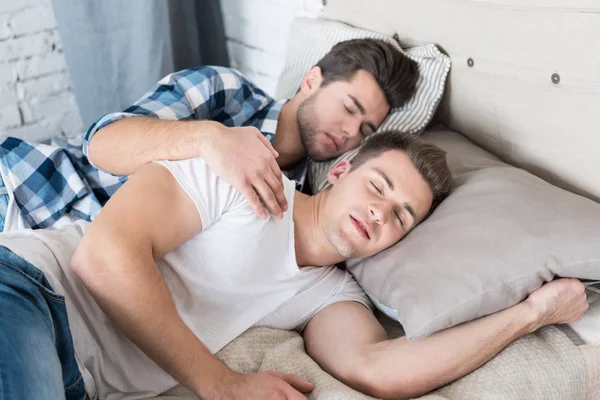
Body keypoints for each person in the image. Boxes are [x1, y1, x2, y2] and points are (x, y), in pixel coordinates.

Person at [0, 131, 588, 400]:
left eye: (403, 217)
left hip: (79, 380)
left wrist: (531, 315)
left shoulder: (329, 293)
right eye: (378, 187)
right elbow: (102, 259)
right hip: (32, 292)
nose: (381, 214)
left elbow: (379, 370)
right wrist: (221, 385)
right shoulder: (239, 173)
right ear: (339, 171)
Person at [0, 38, 419, 231]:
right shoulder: (227, 92)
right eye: (348, 108)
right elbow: (101, 144)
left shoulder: (304, 192)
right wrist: (207, 139)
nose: (349, 132)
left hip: (63, 253)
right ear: (312, 80)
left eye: (365, 129)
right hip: (30, 188)